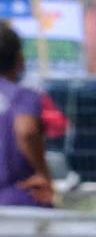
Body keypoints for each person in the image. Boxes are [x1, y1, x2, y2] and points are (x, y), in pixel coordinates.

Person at [0, 23, 53, 208]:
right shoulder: (21, 96)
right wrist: (43, 174)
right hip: (13, 197)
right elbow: (26, 131)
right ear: (19, 58)